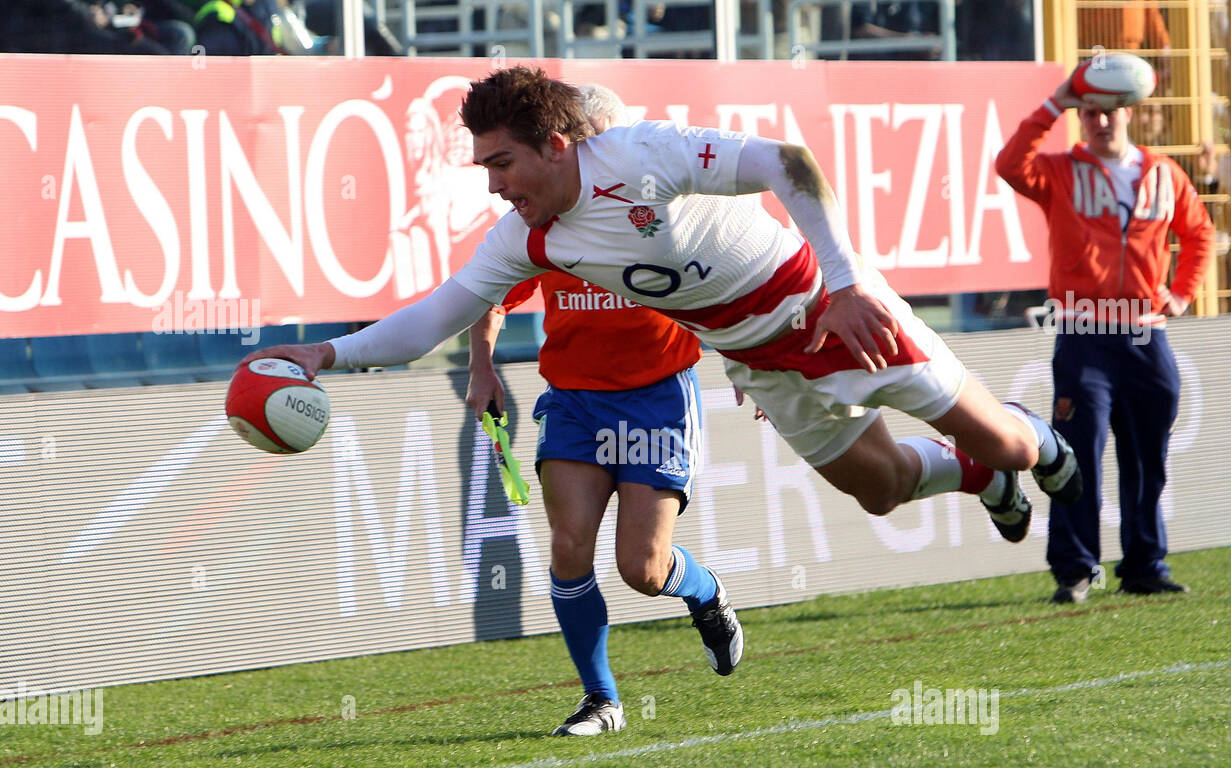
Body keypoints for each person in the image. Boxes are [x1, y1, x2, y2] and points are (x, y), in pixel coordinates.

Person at [243, 66, 1081, 623]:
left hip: (830, 311)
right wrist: (326, 356)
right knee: (883, 489)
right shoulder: (528, 236)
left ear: (556, 146)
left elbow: (789, 162)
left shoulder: (644, 155)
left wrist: (848, 284)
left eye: (501, 165)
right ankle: (979, 478)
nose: (493, 188)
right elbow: (436, 314)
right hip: (759, 358)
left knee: (1009, 443)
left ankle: (1029, 442)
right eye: (485, 171)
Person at [464, 84, 739, 737]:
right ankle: (601, 700)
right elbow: (489, 293)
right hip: (576, 400)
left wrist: (754, 365)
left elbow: (726, 283)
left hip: (658, 398)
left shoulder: (658, 209)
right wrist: (481, 366)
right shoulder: (542, 220)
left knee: (642, 570)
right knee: (568, 548)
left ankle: (705, 593)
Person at [996, 72, 1214, 603]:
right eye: (1088, 112)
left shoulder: (1163, 173)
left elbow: (1199, 232)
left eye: (1108, 111)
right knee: (1078, 457)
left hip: (1145, 337)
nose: (1098, 121)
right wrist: (1053, 103)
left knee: (1146, 460)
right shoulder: (1060, 171)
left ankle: (1145, 565)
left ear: (1128, 109)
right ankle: (1075, 570)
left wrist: (1182, 293)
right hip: (1084, 337)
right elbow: (1009, 165)